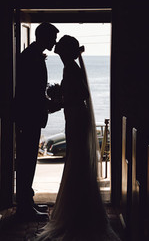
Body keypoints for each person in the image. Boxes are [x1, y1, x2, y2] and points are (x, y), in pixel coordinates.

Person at [36, 35, 121, 240]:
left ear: (64, 52)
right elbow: (75, 95)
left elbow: (81, 94)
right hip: (73, 116)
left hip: (76, 118)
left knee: (77, 161)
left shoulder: (71, 68)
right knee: (76, 161)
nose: (57, 52)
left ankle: (77, 213)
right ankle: (79, 208)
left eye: (59, 50)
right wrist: (60, 100)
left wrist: (59, 100)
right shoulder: (71, 67)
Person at [15, 22, 60, 222]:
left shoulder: (32, 54)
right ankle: (24, 208)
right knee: (26, 162)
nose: (55, 41)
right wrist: (50, 104)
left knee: (29, 160)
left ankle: (27, 201)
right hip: (28, 117)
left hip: (30, 116)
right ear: (43, 37)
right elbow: (30, 92)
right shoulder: (31, 57)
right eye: (53, 38)